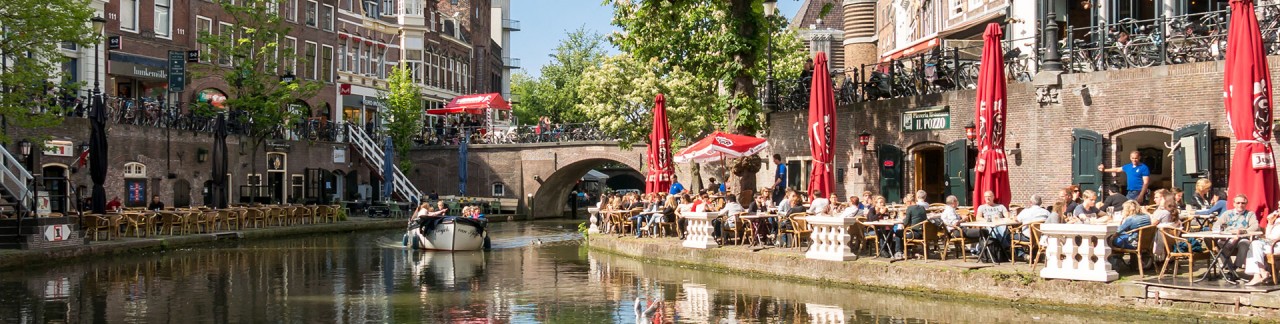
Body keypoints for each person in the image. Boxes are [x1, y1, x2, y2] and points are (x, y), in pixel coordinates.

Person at [1214, 194, 1260, 282]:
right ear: (1234, 204)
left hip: (1242, 238)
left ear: (1246, 204)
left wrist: (1242, 232)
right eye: (1238, 203)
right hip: (1228, 238)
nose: (1240, 205)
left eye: (1243, 203)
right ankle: (1230, 269)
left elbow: (1255, 226)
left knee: (1244, 243)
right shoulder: (1227, 214)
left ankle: (1234, 268)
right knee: (1219, 243)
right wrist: (1227, 233)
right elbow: (1216, 226)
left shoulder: (1250, 214)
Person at [1245, 206, 1280, 285]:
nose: (1278, 210)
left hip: (1277, 245)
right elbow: (1268, 236)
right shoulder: (1277, 220)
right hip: (1272, 245)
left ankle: (1258, 274)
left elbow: (1274, 237)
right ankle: (1260, 272)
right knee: (1255, 244)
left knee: (1255, 246)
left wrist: (1269, 239)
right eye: (1278, 207)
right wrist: (1270, 223)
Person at [896, 191, 930, 259]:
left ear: (909, 202)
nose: (905, 205)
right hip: (923, 233)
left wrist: (902, 218)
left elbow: (906, 223)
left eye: (906, 203)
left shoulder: (910, 208)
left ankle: (899, 252)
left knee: (898, 232)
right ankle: (908, 251)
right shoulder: (922, 208)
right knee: (904, 232)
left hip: (915, 234)